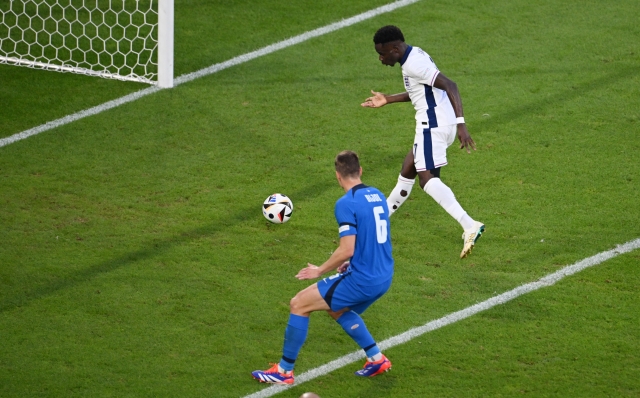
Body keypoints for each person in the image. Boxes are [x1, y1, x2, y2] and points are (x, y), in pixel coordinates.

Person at [251, 150, 394, 385]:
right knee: (334, 307)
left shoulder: (346, 203)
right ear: (360, 171)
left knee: (299, 303)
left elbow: (347, 248)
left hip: (363, 279)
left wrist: (320, 270)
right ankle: (376, 359)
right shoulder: (377, 195)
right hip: (384, 274)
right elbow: (375, 237)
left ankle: (284, 372)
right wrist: (353, 262)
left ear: (338, 176)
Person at [361, 25, 485, 258]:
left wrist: (462, 124)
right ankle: (379, 220)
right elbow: (420, 91)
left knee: (426, 179)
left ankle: (469, 224)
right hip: (438, 123)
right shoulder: (413, 55)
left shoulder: (414, 64)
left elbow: (451, 85)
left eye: (383, 53)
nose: (380, 58)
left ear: (395, 49)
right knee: (408, 169)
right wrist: (387, 99)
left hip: (433, 125)